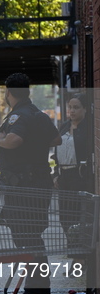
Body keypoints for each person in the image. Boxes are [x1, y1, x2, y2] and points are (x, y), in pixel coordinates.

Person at [0, 72, 61, 294]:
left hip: (24, 186)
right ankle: (37, 287)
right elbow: (55, 139)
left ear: (8, 92)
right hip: (38, 183)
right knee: (32, 235)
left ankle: (38, 288)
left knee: (26, 236)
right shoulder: (38, 114)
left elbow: (14, 141)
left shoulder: (18, 116)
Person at [53, 93, 94, 234]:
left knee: (78, 215)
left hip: (80, 176)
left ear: (85, 109)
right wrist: (56, 174)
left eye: (76, 107)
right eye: (70, 107)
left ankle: (79, 252)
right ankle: (72, 248)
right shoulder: (64, 126)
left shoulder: (89, 128)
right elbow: (56, 153)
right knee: (65, 216)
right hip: (64, 177)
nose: (72, 111)